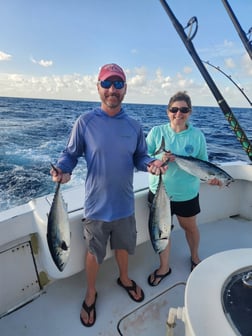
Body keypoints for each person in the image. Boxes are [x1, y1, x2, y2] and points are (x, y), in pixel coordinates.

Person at [50, 63, 166, 327]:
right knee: (94, 253)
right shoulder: (85, 122)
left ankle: (124, 279)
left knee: (124, 247)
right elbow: (69, 155)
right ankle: (91, 291)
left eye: (117, 84)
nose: (112, 89)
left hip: (124, 204)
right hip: (95, 207)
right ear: (98, 87)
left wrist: (150, 164)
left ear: (125, 89)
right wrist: (63, 171)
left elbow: (140, 157)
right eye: (106, 84)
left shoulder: (134, 126)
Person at [146, 91, 222, 286]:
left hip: (186, 194)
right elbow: (144, 157)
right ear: (167, 111)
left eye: (183, 110)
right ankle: (164, 267)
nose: (178, 114)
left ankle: (195, 257)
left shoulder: (197, 136)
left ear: (190, 112)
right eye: (174, 109)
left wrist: (211, 178)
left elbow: (203, 164)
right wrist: (157, 161)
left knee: (190, 227)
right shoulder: (156, 132)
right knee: (163, 230)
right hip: (159, 194)